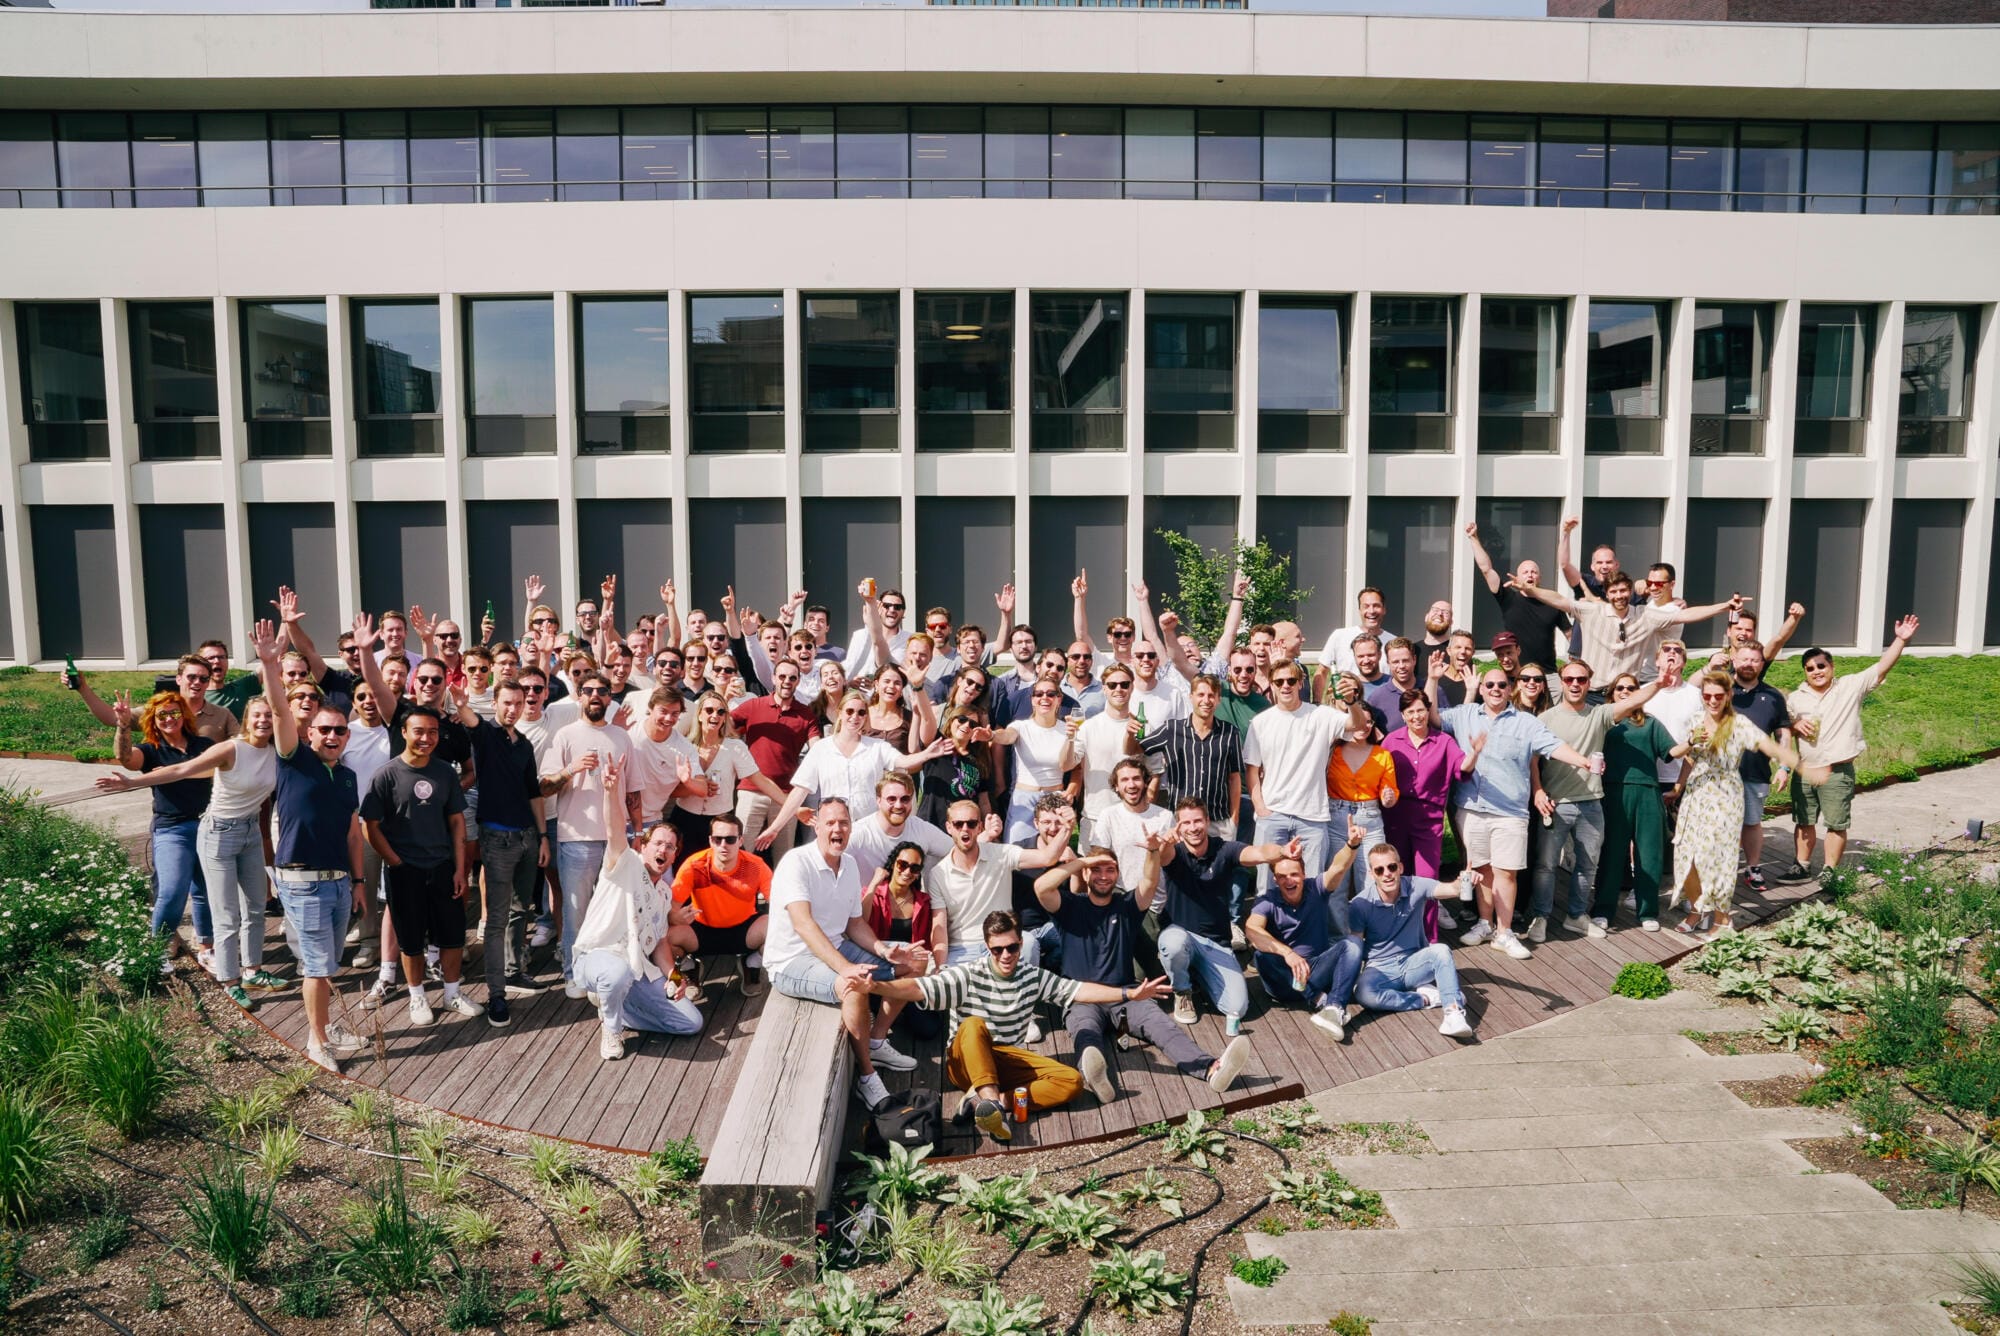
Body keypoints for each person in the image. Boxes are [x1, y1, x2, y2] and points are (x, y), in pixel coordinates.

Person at [843, 909, 1171, 1143]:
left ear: (1020, 944)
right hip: (965, 1061)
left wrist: (1128, 993)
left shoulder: (1031, 976)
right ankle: (990, 1100)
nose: (1005, 955)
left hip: (1004, 1060)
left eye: (1012, 947)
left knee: (1070, 1081)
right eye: (997, 949)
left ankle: (989, 1102)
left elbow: (1077, 990)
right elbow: (917, 988)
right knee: (973, 1025)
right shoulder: (969, 975)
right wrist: (876, 987)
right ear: (988, 947)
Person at [97, 626, 291, 1010]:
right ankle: (227, 978)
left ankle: (251, 970)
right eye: (257, 716)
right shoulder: (226, 748)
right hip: (209, 830)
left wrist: (274, 656)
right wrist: (131, 782)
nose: (264, 721)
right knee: (214, 906)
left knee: (254, 905)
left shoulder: (267, 748)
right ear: (246, 720)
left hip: (248, 830)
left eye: (269, 716)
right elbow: (179, 770)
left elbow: (282, 708)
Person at [1036, 843, 1251, 1103]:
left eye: (1110, 869)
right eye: (1096, 869)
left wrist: (1153, 852)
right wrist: (1082, 862)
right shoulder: (1069, 906)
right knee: (1086, 1033)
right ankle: (1094, 1075)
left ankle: (1211, 1069)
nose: (1103, 876)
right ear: (1085, 873)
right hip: (1082, 997)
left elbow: (1149, 882)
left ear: (1117, 874)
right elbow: (1041, 887)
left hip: (1128, 995)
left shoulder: (1127, 905)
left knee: (1164, 1028)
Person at [763, 797, 927, 1110]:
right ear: (816, 826)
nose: (837, 829)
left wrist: (884, 950)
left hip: (837, 944)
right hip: (791, 960)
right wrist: (845, 967)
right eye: (830, 822)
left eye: (844, 823)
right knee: (853, 985)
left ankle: (876, 1040)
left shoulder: (849, 864)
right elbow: (804, 925)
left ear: (851, 827)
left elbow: (855, 923)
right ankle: (867, 1076)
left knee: (915, 960)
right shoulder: (796, 862)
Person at [1429, 665, 1599, 960]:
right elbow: (1433, 717)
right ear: (1482, 690)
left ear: (1510, 690)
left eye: (1501, 685)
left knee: (1506, 872)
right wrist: (1432, 679)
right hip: (1471, 808)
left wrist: (1583, 761)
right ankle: (1485, 924)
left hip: (1510, 811)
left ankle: (1504, 932)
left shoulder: (1526, 722)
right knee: (1482, 870)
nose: (1495, 689)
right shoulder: (1464, 714)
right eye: (1490, 685)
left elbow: (1554, 746)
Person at [1668, 671, 1826, 936]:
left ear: (1729, 695)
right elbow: (1689, 757)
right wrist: (1678, 786)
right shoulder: (1696, 720)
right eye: (1707, 696)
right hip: (1696, 795)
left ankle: (1722, 918)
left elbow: (1772, 748)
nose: (1712, 701)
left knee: (1719, 857)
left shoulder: (1739, 724)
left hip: (1725, 796)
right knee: (1687, 855)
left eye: (1718, 696)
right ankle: (1698, 910)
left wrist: (1802, 769)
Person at [266, 688, 370, 1071]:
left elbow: (353, 835)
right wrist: (270, 665)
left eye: (339, 730)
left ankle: (323, 1029)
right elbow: (280, 711)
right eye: (324, 729)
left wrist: (358, 882)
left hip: (339, 882)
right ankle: (318, 1043)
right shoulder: (293, 761)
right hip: (302, 882)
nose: (331, 736)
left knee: (328, 964)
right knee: (316, 965)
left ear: (348, 735)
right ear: (309, 732)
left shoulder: (347, 777)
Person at [362, 702, 484, 1027]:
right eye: (419, 731)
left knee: (452, 934)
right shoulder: (386, 775)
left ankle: (452, 993)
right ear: (404, 732)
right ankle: (417, 995)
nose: (426, 738)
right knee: (411, 939)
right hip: (405, 870)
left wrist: (459, 868)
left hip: (443, 865)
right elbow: (369, 826)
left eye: (432, 732)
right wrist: (395, 861)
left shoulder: (444, 772)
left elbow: (457, 822)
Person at [1532, 659, 1659, 941]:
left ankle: (1576, 915)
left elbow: (1632, 701)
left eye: (1581, 679)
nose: (1575, 684)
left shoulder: (1599, 714)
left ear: (1589, 683)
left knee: (1588, 865)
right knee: (1546, 865)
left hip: (1591, 802)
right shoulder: (1546, 719)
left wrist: (1660, 682)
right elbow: (1533, 760)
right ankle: (1540, 917)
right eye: (1569, 679)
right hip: (1556, 803)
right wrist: (1538, 790)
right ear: (1562, 683)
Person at [1153, 800, 1307, 1032]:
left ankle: (1199, 975)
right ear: (1179, 826)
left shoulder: (1224, 850)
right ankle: (1182, 990)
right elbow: (1163, 856)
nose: (1193, 828)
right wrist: (1163, 845)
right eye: (1186, 823)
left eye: (1198, 821)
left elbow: (1258, 852)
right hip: (1182, 935)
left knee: (1237, 1008)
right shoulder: (1175, 852)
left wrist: (1281, 852)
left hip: (1217, 943)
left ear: (1207, 821)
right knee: (1173, 944)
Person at [1786, 616, 1920, 880]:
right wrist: (1794, 725)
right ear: (1805, 672)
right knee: (1803, 821)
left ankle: (1829, 871)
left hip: (1836, 771)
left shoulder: (1850, 686)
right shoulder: (1795, 698)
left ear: (1831, 666)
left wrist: (1901, 640)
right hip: (1805, 771)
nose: (1816, 671)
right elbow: (1784, 729)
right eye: (1810, 668)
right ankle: (1801, 865)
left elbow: (1881, 667)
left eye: (1821, 666)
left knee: (1836, 823)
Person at [449, 677, 549, 1023]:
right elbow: (471, 720)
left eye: (518, 703)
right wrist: (462, 704)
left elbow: (533, 792)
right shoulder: (486, 734)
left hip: (527, 838)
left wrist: (543, 836)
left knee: (522, 911)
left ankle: (513, 971)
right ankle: (496, 996)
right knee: (496, 919)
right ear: (495, 703)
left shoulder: (524, 744)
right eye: (507, 702)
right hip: (496, 839)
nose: (513, 709)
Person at [107, 688, 215, 966]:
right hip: (172, 829)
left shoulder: (203, 745)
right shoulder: (151, 750)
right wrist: (122, 725)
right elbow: (126, 759)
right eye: (161, 715)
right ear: (153, 721)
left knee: (206, 890)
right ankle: (158, 949)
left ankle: (207, 947)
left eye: (174, 712)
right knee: (172, 890)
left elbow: (222, 768)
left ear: (184, 715)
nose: (169, 719)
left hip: (207, 825)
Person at [542, 669, 633, 995]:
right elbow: (544, 786)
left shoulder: (622, 737)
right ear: (579, 696)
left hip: (616, 839)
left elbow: (633, 790)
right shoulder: (565, 735)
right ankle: (574, 974)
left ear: (610, 698)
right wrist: (571, 768)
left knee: (614, 911)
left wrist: (636, 833)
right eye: (589, 691)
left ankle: (608, 974)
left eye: (602, 691)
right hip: (575, 838)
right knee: (576, 911)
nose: (596, 696)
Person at [760, 690, 944, 848]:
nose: (855, 717)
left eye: (861, 712)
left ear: (866, 717)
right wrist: (775, 828)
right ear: (840, 713)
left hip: (869, 831)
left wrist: (926, 754)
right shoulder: (821, 748)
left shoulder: (877, 746)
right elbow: (799, 791)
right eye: (850, 711)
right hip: (834, 831)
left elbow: (903, 761)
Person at [1507, 572, 1743, 691]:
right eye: (1614, 592)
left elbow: (1685, 615)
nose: (1619, 596)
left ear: (1630, 592)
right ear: (1607, 594)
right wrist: (1530, 589)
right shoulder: (1591, 612)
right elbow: (1559, 600)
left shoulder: (1646, 615)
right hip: (1593, 693)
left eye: (1623, 591)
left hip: (1627, 693)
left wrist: (1725, 606)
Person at [1244, 657, 1349, 899]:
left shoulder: (1321, 715)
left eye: (1291, 680)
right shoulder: (1260, 722)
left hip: (1312, 817)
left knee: (1311, 888)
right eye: (1279, 681)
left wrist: (1351, 702)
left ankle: (1305, 926)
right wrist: (1261, 809)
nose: (1285, 686)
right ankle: (1265, 924)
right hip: (1273, 815)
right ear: (1271, 685)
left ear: (1301, 683)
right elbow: (1252, 770)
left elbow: (1356, 724)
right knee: (1266, 887)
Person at [1348, 843, 1478, 1040]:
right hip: (1380, 968)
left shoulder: (1416, 885)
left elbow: (1451, 889)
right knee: (1364, 994)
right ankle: (1425, 998)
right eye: (1379, 870)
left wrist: (1465, 880)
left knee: (1441, 950)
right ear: (1371, 874)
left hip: (1414, 962)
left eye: (1392, 867)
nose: (1387, 874)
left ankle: (1453, 1013)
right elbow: (1355, 948)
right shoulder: (1360, 904)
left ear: (1400, 867)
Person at [1246, 827, 1364, 1039]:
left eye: (1294, 874)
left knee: (1353, 944)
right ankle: (1318, 999)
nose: (1289, 880)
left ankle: (1334, 1008)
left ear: (1303, 874)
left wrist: (1352, 844)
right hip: (1284, 983)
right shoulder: (1268, 900)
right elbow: (1251, 929)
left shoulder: (1316, 888)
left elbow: (1338, 867)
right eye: (1282, 876)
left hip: (1316, 971)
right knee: (1262, 954)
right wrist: (1288, 954)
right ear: (1275, 880)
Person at [926, 799, 1065, 967]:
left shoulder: (1001, 854)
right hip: (963, 949)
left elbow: (1047, 858)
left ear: (979, 827)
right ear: (949, 827)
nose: (965, 828)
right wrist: (941, 967)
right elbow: (939, 927)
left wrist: (1067, 826)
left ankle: (1029, 984)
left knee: (1028, 944)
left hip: (1003, 939)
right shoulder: (938, 874)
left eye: (971, 823)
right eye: (958, 824)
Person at [1594, 673, 1680, 932]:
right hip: (1613, 791)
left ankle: (1648, 911)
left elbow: (1671, 752)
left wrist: (1691, 742)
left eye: (1631, 688)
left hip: (1647, 792)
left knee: (1650, 854)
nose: (1625, 691)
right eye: (1619, 687)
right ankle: (1603, 910)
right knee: (1611, 854)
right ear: (1611, 693)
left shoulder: (1650, 723)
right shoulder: (1603, 721)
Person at [670, 690, 789, 870]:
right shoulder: (685, 746)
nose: (715, 716)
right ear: (699, 715)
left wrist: (792, 807)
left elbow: (761, 780)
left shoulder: (735, 747)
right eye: (709, 710)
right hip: (685, 820)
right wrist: (694, 787)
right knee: (683, 872)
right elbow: (669, 791)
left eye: (721, 712)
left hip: (721, 823)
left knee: (725, 873)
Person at [666, 811, 771, 995]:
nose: (723, 845)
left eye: (730, 839)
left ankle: (752, 964)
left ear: (740, 840)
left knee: (780, 928)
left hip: (744, 930)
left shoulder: (756, 865)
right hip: (701, 931)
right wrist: (676, 918)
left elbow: (780, 903)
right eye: (718, 839)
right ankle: (689, 969)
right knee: (665, 936)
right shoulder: (694, 865)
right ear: (710, 840)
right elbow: (671, 909)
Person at [728, 657, 818, 856]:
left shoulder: (806, 714)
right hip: (751, 790)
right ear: (773, 678)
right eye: (782, 676)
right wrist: (725, 697)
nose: (787, 681)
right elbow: (722, 724)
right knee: (739, 853)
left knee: (784, 858)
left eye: (792, 678)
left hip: (786, 797)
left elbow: (817, 749)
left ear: (798, 681)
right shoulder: (753, 705)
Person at [1381, 688, 1465, 893]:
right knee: (1397, 875)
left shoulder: (1444, 741)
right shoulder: (1391, 741)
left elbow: (1461, 768)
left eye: (1420, 710)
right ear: (1403, 715)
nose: (1416, 716)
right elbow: (1380, 775)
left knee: (1426, 879)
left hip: (1429, 819)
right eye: (1410, 712)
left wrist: (1475, 753)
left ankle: (1427, 916)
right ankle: (1400, 914)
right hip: (1396, 817)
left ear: (1428, 711)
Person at [862, 841, 946, 1043]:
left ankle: (894, 1010)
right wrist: (873, 884)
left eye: (914, 868)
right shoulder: (874, 893)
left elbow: (925, 945)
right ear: (893, 864)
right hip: (878, 966)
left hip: (908, 972)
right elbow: (860, 922)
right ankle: (880, 1032)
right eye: (903, 864)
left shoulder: (922, 901)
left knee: (929, 1028)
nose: (907, 871)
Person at [1726, 643, 1792, 894]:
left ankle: (1752, 868)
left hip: (1756, 771)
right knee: (1723, 824)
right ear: (1734, 660)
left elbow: (1783, 733)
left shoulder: (1773, 696)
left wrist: (1784, 766)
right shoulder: (1721, 690)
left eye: (1755, 660)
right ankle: (1723, 868)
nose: (1749, 664)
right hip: (1722, 773)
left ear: (1762, 664)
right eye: (1744, 659)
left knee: (1752, 822)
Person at [1467, 522, 1570, 671]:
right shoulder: (1508, 598)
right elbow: (1486, 569)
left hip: (1548, 674)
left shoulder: (1552, 602)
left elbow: (1569, 634)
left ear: (1540, 577)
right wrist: (1474, 538)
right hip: (1517, 673)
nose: (1530, 575)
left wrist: (1577, 661)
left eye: (1534, 572)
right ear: (1518, 577)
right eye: (1525, 572)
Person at [989, 681, 1082, 841]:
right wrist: (992, 735)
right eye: (1039, 694)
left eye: (1051, 694)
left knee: (1053, 853)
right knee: (1016, 849)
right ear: (1032, 700)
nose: (1044, 698)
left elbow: (1067, 766)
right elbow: (1007, 736)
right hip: (1024, 798)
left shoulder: (1069, 729)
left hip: (1054, 799)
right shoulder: (1021, 726)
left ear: (1059, 699)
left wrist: (1070, 738)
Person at [1325, 700, 1398, 895]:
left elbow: (1390, 795)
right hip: (1336, 820)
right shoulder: (1332, 752)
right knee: (1336, 882)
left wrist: (1388, 798)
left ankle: (1369, 916)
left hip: (1370, 822)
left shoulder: (1382, 755)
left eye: (1368, 722)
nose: (1363, 726)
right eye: (1358, 720)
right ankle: (1338, 918)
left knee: (1371, 880)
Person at [848, 769, 953, 883]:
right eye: (891, 799)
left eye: (905, 799)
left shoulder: (921, 828)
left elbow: (957, 851)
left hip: (909, 894)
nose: (898, 805)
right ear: (878, 800)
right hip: (868, 893)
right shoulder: (860, 833)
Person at [1091, 758, 1174, 895]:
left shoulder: (1166, 816)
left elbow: (1172, 862)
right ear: (1116, 786)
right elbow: (1098, 857)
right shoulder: (1108, 815)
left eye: (1136, 778)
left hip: (1158, 897)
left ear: (1145, 783)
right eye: (1124, 780)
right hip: (1121, 895)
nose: (1131, 785)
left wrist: (1160, 848)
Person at [917, 707, 995, 828]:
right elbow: (927, 719)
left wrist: (987, 826)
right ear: (951, 720)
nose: (966, 725)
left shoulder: (980, 760)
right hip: (930, 823)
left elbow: (983, 801)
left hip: (963, 828)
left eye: (973, 724)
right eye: (962, 719)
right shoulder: (937, 744)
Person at [1317, 587, 1395, 679]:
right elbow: (1321, 672)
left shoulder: (1393, 642)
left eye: (1376, 606)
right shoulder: (1339, 636)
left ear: (1384, 609)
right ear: (1359, 610)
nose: (1371, 611)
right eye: (1366, 606)